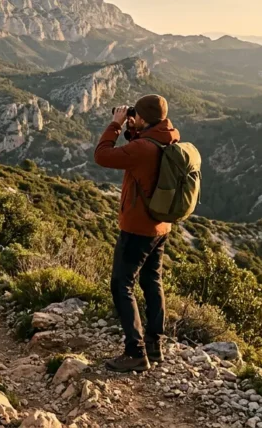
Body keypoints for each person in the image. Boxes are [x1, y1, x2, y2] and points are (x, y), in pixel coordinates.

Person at [94, 94, 180, 373]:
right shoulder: (168, 136)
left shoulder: (143, 148)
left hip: (138, 228)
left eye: (136, 114)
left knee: (121, 285)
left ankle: (135, 352)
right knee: (152, 281)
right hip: (160, 225)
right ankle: (155, 345)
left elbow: (102, 155)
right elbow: (143, 149)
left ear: (143, 117)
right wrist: (134, 129)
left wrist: (116, 125)